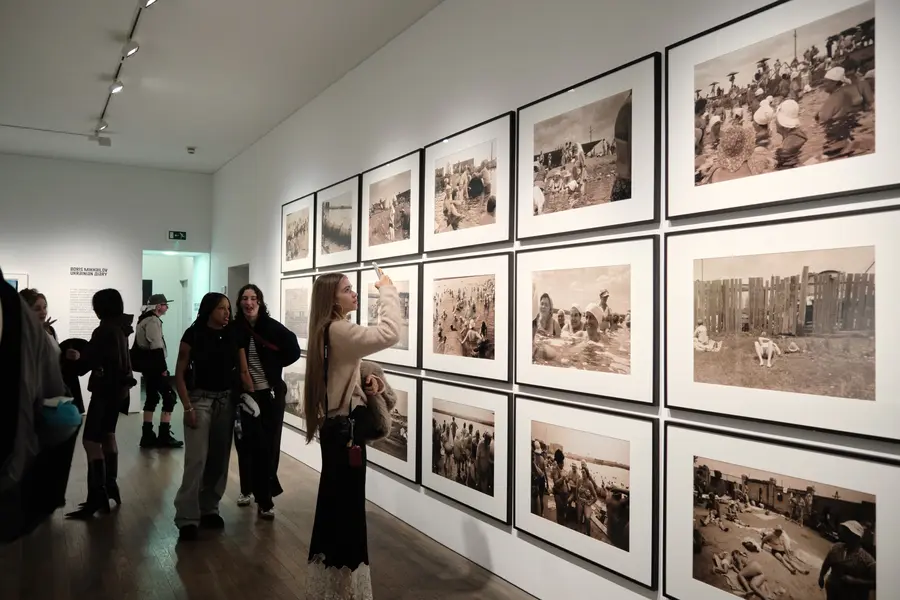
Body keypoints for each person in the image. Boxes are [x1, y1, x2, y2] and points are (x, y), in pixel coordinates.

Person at [303, 270, 400, 598]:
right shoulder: (339, 329)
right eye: (347, 290)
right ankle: (346, 590)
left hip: (335, 431)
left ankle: (335, 587)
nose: (354, 294)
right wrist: (387, 290)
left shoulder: (324, 330)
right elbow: (389, 333)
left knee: (336, 509)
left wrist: (366, 385)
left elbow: (342, 374)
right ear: (332, 298)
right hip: (346, 435)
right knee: (347, 515)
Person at [173, 293, 248, 542]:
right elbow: (179, 373)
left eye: (228, 308)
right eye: (221, 308)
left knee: (219, 458)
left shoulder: (234, 334)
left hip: (225, 401)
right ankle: (187, 517)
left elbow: (243, 368)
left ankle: (209, 508)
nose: (227, 313)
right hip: (199, 400)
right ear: (209, 310)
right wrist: (187, 407)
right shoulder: (193, 334)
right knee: (196, 459)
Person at [65, 289, 136, 519]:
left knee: (90, 441)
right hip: (119, 392)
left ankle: (97, 496)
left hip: (105, 392)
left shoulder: (104, 330)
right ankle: (110, 486)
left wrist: (76, 358)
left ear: (101, 308)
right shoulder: (121, 328)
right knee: (108, 435)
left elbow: (88, 363)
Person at [232, 284, 301, 519]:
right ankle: (246, 489)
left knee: (268, 447)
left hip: (270, 395)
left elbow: (293, 349)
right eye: (245, 298)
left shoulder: (272, 328)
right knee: (244, 444)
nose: (249, 302)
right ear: (239, 302)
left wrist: (274, 365)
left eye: (254, 298)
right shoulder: (235, 329)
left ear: (260, 302)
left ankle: (265, 498)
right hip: (245, 396)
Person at [18, 288, 85, 413]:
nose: (43, 312)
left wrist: (67, 356)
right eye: (37, 309)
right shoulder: (23, 334)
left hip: (55, 389)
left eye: (44, 307)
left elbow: (54, 358)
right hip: (36, 394)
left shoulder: (50, 330)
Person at [134, 293, 183, 449]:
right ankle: (163, 435)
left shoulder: (145, 319)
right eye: (164, 304)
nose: (166, 307)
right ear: (158, 306)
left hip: (149, 367)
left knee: (152, 397)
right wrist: (163, 369)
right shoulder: (153, 321)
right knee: (170, 397)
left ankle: (147, 435)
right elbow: (156, 347)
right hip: (155, 367)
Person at [819, 520, 876, 600]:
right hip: (832, 590)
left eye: (846, 532)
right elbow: (827, 562)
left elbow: (876, 583)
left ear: (855, 537)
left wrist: (855, 581)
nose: (842, 533)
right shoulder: (836, 548)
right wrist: (821, 576)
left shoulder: (866, 560)